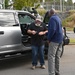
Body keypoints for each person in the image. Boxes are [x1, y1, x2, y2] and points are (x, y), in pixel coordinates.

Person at [47, 8, 63, 75]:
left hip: (54, 41)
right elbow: (61, 29)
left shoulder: (52, 19)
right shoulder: (58, 18)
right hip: (60, 40)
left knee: (51, 57)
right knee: (57, 57)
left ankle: (51, 73)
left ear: (50, 13)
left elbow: (52, 30)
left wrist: (49, 39)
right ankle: (57, 72)